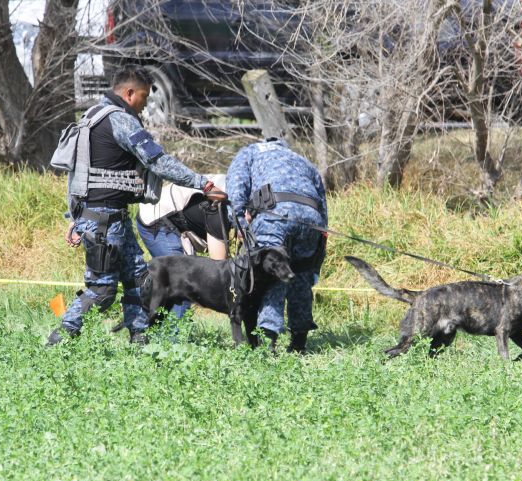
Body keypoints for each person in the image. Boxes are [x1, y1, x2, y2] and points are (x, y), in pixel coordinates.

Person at [47, 65, 226, 346]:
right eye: (143, 97)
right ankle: (58, 341)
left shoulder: (92, 116)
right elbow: (158, 161)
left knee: (139, 279)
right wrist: (201, 183)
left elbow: (80, 174)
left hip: (107, 217)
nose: (144, 105)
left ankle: (140, 342)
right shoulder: (120, 120)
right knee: (102, 290)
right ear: (129, 94)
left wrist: (76, 216)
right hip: (104, 220)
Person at [225, 137, 328, 353]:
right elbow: (322, 201)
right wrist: (320, 237)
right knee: (299, 278)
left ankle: (267, 342)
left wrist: (241, 226)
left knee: (272, 279)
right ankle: (299, 343)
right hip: (311, 218)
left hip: (274, 216)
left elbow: (236, 190)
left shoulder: (250, 152)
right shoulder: (302, 159)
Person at [135, 174, 230, 318]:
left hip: (178, 222)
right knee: (182, 281)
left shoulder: (235, 187)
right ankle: (174, 337)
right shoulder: (217, 209)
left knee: (180, 284)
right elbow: (218, 267)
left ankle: (162, 329)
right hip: (157, 219)